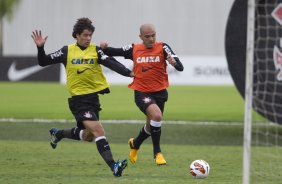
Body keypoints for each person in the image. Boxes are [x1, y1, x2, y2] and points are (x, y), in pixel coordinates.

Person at [31, 17, 132, 177]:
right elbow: (43, 61)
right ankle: (114, 166)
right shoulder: (67, 51)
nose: (88, 38)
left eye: (90, 35)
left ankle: (58, 134)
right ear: (77, 35)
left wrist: (130, 73)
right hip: (79, 100)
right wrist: (40, 48)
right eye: (85, 35)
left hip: (93, 100)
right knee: (99, 130)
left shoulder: (96, 50)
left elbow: (112, 63)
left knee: (88, 136)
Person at [100, 23, 184, 165]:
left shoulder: (163, 47)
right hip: (142, 92)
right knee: (156, 116)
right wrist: (104, 47)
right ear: (141, 37)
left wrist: (173, 63)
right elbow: (113, 52)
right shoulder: (134, 49)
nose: (151, 39)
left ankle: (135, 143)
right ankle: (157, 153)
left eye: (153, 35)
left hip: (160, 93)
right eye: (147, 36)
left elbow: (180, 67)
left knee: (151, 127)